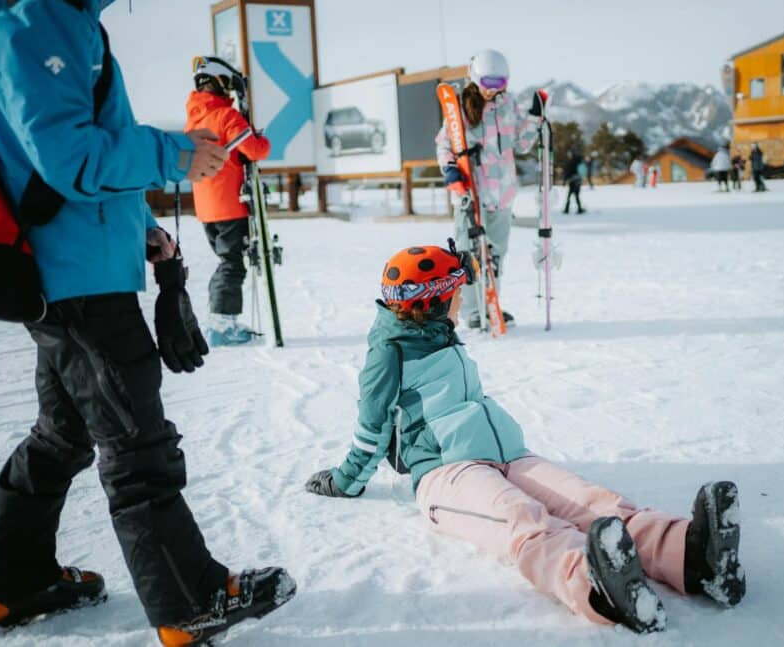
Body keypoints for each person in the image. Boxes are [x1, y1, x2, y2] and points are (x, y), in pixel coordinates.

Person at [0, 2, 294, 644]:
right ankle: (188, 603)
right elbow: (69, 157)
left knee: (62, 435)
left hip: (82, 265)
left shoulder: (55, 18)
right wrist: (173, 154)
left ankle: (10, 587)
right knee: (136, 443)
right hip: (79, 279)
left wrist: (142, 231)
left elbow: (59, 161)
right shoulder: (36, 18)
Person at [304, 243, 747, 635]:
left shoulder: (437, 332)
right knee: (520, 517)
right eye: (457, 295)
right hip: (445, 473)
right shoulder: (389, 352)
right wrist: (345, 481)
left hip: (507, 455)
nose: (463, 302)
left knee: (593, 502)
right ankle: (593, 583)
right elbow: (372, 427)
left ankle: (692, 558)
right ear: (435, 303)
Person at [436, 49, 542, 330]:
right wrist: (450, 172)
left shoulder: (508, 105)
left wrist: (534, 119)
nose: (492, 90)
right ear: (474, 78)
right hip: (470, 194)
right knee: (468, 254)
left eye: (499, 84)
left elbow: (521, 145)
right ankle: (471, 310)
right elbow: (444, 145)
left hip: (502, 194)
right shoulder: (459, 107)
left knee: (495, 255)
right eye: (488, 83)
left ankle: (490, 302)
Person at [186, 56, 271, 347]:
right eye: (229, 86)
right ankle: (222, 325)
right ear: (221, 82)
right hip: (230, 204)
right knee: (232, 264)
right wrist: (262, 138)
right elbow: (256, 150)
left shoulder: (195, 119)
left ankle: (219, 319)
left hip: (207, 207)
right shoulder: (225, 116)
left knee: (226, 262)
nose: (232, 93)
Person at [563, 148, 586, 214]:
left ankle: (567, 209)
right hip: (578, 180)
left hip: (572, 181)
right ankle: (579, 208)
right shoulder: (579, 161)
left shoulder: (571, 162)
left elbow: (567, 172)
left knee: (570, 195)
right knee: (576, 195)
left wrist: (564, 180)